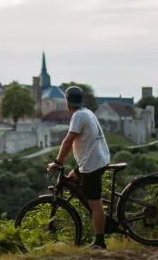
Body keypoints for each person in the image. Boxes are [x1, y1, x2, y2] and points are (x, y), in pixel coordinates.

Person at [47, 86, 110, 250]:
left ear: (68, 102)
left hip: (92, 164)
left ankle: (100, 242)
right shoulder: (87, 112)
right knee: (72, 178)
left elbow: (68, 141)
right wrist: (64, 157)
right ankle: (96, 210)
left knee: (95, 204)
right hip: (96, 160)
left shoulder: (78, 115)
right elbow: (73, 141)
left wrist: (57, 162)